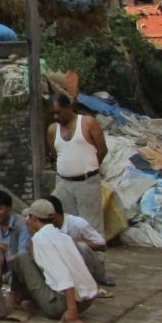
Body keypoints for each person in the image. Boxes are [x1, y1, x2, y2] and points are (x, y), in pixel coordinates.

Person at [12, 199, 99, 323]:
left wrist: (72, 310)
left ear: (34, 218)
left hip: (63, 305)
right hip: (85, 302)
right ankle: (30, 300)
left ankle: (16, 299)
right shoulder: (63, 236)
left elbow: (64, 275)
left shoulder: (41, 239)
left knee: (22, 258)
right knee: (31, 259)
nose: (27, 221)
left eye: (29, 218)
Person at [47, 92, 108, 235]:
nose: (56, 117)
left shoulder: (87, 123)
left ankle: (96, 250)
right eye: (53, 114)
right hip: (63, 183)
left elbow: (102, 150)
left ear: (68, 107)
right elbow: (55, 154)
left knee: (92, 226)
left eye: (58, 112)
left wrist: (89, 168)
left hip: (87, 182)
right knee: (68, 224)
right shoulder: (52, 130)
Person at [44, 194, 112, 286]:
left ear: (53, 214)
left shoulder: (78, 224)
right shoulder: (45, 227)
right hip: (68, 267)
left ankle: (90, 281)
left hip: (91, 266)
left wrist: (72, 243)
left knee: (81, 246)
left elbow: (102, 245)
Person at [0, 189, 30, 274]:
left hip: (18, 271)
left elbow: (23, 253)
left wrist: (5, 261)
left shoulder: (21, 224)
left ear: (9, 208)